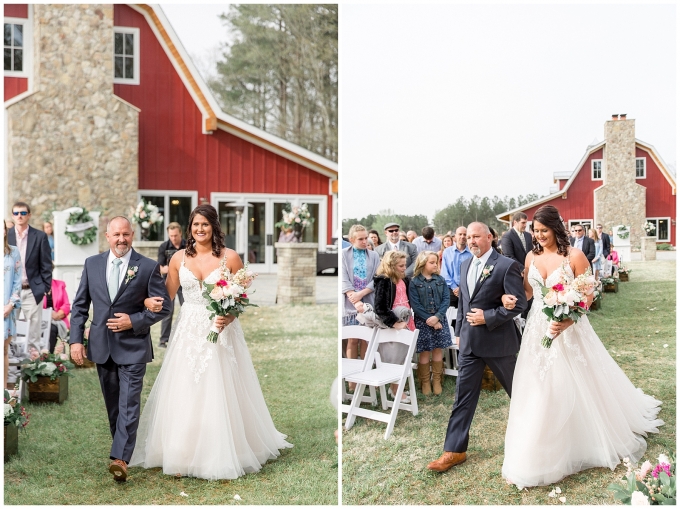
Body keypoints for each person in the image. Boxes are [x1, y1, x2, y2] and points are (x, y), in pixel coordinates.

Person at [501, 205, 663, 488]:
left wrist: (567, 321)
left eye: (544, 231)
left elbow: (587, 297)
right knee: (541, 384)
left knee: (579, 379)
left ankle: (587, 436)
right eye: (535, 232)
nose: (539, 237)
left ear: (556, 228)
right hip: (539, 326)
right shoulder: (530, 256)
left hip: (570, 329)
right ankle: (540, 443)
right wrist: (510, 299)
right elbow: (528, 291)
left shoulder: (575, 256)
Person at [130, 204, 292, 480]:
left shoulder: (230, 258)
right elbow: (166, 296)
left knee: (220, 385)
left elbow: (240, 298)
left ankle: (227, 448)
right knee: (186, 386)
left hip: (221, 329)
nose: (200, 229)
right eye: (195, 224)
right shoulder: (178, 258)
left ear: (214, 227)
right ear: (189, 228)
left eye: (205, 224)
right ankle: (181, 451)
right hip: (189, 330)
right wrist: (145, 303)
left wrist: (227, 317)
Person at [69, 216, 172, 482]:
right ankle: (122, 450)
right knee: (114, 405)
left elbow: (165, 308)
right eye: (116, 235)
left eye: (126, 234)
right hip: (102, 346)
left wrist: (134, 320)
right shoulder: (92, 264)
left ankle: (120, 459)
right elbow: (80, 306)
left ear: (132, 235)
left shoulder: (148, 267)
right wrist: (76, 340)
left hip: (133, 346)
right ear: (107, 236)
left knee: (129, 403)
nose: (121, 239)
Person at [427, 222, 526, 472]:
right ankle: (454, 450)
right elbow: (463, 305)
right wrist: (459, 332)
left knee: (521, 394)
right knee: (463, 398)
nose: (471, 241)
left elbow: (520, 303)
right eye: (468, 237)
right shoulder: (464, 264)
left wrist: (489, 317)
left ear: (490, 237)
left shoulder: (506, 265)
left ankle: (538, 440)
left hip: (499, 344)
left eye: (476, 236)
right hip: (470, 344)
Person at [7, 202, 52, 353]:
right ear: (12, 216)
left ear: (29, 215)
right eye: (16, 213)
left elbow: (46, 264)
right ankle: (12, 372)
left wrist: (45, 288)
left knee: (33, 336)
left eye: (23, 213)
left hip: (32, 290)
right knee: (9, 334)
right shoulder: (6, 235)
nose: (19, 216)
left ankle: (32, 372)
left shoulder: (39, 236)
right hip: (10, 292)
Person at [373, 250, 415, 403]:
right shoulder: (383, 280)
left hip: (406, 319)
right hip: (393, 324)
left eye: (405, 265)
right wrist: (394, 322)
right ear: (391, 265)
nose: (404, 268)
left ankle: (398, 387)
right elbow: (380, 307)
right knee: (394, 358)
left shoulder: (404, 279)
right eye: (401, 266)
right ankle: (395, 390)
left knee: (404, 357)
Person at [342, 224, 380, 391]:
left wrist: (361, 295)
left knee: (366, 339)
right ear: (351, 240)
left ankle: (364, 375)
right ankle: (352, 380)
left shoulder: (373, 255)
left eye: (367, 238)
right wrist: (354, 299)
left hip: (368, 301)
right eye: (361, 239)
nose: (365, 241)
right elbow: (343, 278)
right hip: (350, 304)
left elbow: (377, 278)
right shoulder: (343, 255)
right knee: (352, 339)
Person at [408, 251, 452, 396]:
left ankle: (437, 380)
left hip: (440, 320)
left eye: (436, 262)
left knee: (438, 350)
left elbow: (446, 299)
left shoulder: (440, 280)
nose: (435, 265)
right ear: (423, 263)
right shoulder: (415, 282)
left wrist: (438, 317)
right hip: (423, 321)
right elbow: (415, 305)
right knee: (425, 352)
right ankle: (425, 381)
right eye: (431, 262)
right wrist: (430, 320)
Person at [157, 222, 186, 348]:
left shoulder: (188, 245)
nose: (173, 238)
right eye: (171, 236)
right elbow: (160, 267)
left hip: (185, 282)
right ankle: (164, 340)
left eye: (175, 235)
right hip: (170, 281)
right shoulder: (164, 246)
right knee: (168, 311)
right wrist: (168, 269)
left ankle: (186, 336)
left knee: (187, 309)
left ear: (180, 233)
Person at [4, 222, 22, 390]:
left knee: (3, 351)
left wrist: (10, 305)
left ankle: (2, 391)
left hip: (6, 309)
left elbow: (17, 282)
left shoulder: (13, 252)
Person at [43, 270, 70, 354]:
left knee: (52, 328)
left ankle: (48, 356)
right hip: (40, 318)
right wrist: (48, 314)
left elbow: (66, 305)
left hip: (57, 319)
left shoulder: (60, 285)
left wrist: (58, 315)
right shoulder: (35, 286)